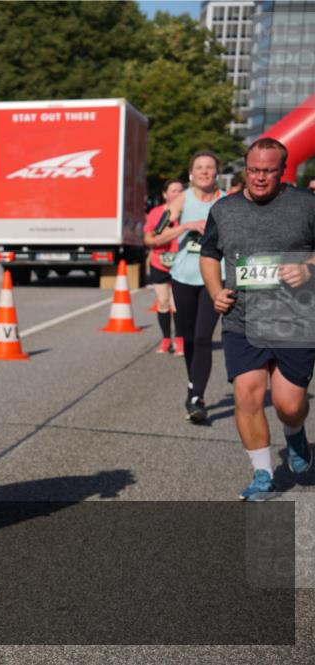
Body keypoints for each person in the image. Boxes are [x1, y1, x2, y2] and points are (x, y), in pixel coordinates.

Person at [201, 137, 315, 500]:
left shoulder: (307, 205)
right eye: (253, 170)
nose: (260, 178)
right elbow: (208, 254)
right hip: (242, 318)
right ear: (244, 169)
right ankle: (262, 475)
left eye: (268, 171)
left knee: (288, 404)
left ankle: (295, 434)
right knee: (248, 396)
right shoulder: (224, 209)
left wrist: (309, 268)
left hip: (294, 317)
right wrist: (215, 290)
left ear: (283, 171)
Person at [166, 151, 224, 423]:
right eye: (199, 168)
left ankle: (197, 397)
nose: (204, 172)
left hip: (214, 279)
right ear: (191, 174)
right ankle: (193, 384)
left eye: (209, 168)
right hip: (183, 276)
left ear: (216, 173)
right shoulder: (182, 199)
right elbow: (155, 236)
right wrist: (186, 226)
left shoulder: (227, 201)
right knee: (188, 337)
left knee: (203, 338)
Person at [143, 178, 185, 354]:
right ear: (165, 194)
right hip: (159, 262)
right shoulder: (155, 213)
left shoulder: (187, 213)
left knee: (178, 305)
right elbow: (148, 238)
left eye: (180, 191)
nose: (177, 194)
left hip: (181, 263)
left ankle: (180, 340)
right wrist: (160, 238)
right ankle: (166, 338)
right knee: (163, 302)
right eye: (173, 190)